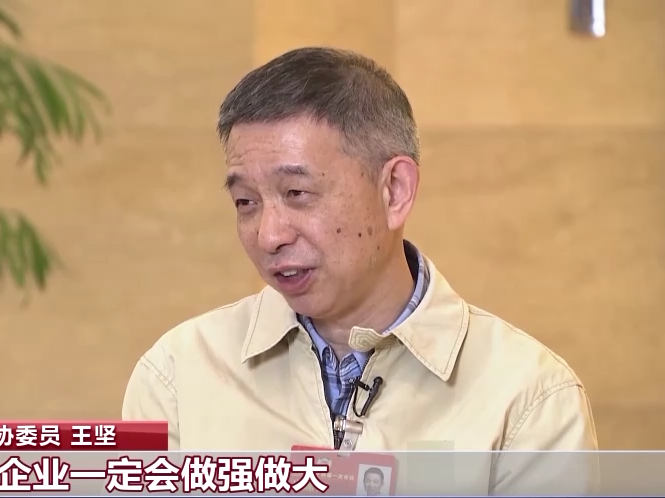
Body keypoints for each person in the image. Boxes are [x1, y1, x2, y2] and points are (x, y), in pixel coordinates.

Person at [122, 47, 599, 494]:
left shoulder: (529, 397)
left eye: (297, 194)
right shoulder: (176, 375)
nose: (269, 235)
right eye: (246, 202)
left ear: (394, 191)